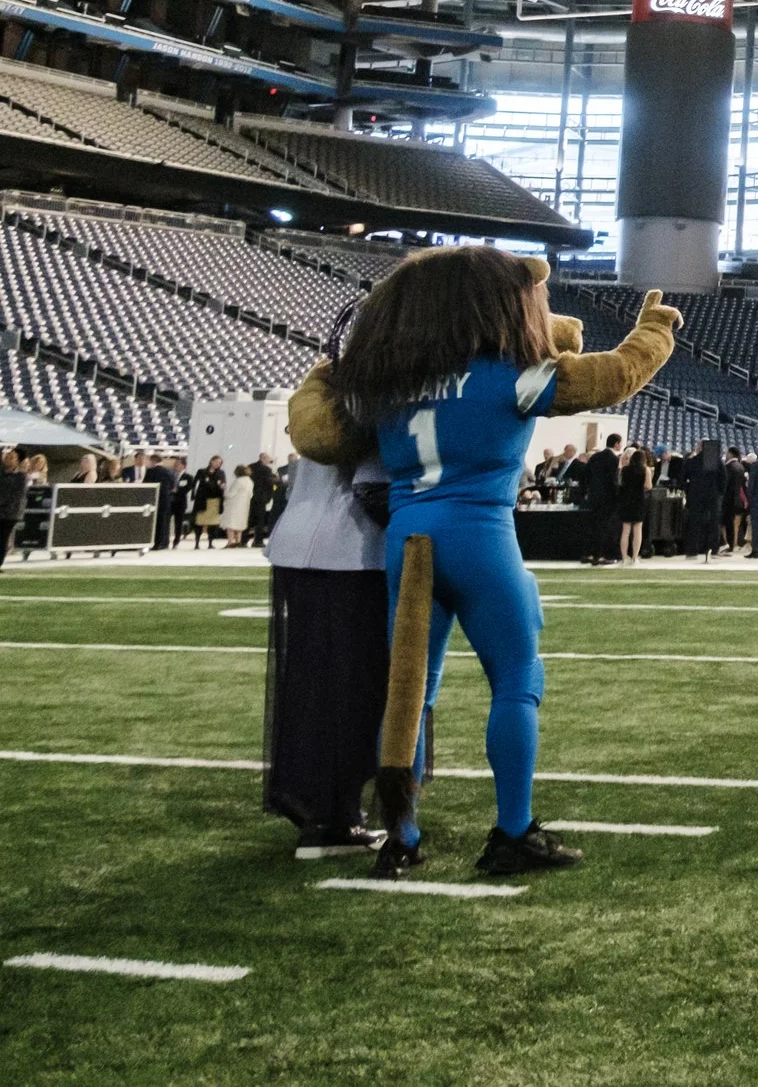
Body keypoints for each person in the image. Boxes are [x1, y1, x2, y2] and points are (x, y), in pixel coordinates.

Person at [289, 246, 678, 878]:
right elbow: (611, 375)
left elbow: (320, 433)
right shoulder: (508, 376)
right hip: (480, 534)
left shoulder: (391, 383)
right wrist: (654, 331)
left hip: (406, 535)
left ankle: (403, 835)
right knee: (517, 680)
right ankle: (513, 831)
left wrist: (321, 376)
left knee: (414, 691)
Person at [261, 450, 391, 854]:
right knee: (353, 688)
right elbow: (372, 486)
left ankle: (321, 805)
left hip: (301, 538)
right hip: (349, 549)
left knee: (312, 682)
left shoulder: (320, 388)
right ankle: (336, 814)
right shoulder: (371, 390)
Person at [581, 433, 623, 565]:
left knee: (593, 525)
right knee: (605, 527)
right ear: (616, 444)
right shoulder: (614, 459)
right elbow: (613, 480)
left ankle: (590, 553)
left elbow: (585, 476)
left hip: (594, 497)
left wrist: (587, 492)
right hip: (608, 498)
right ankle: (602, 555)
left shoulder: (595, 457)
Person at [683, 438, 725, 560]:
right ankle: (713, 550)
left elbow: (683, 479)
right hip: (713, 496)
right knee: (713, 524)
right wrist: (719, 493)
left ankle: (692, 551)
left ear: (699, 447)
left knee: (694, 524)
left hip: (695, 497)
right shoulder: (716, 461)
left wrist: (689, 491)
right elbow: (723, 478)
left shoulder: (692, 461)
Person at [617, 445, 651, 564]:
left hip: (626, 500)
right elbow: (648, 486)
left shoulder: (625, 469)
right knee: (637, 529)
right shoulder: (645, 470)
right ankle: (635, 557)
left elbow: (620, 484)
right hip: (639, 500)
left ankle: (624, 556)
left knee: (625, 530)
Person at [0, 448, 23, 568]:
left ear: (17, 461)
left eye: (12, 457)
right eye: (7, 456)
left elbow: (15, 495)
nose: (8, 458)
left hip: (9, 514)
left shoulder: (20, 477)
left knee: (2, 538)